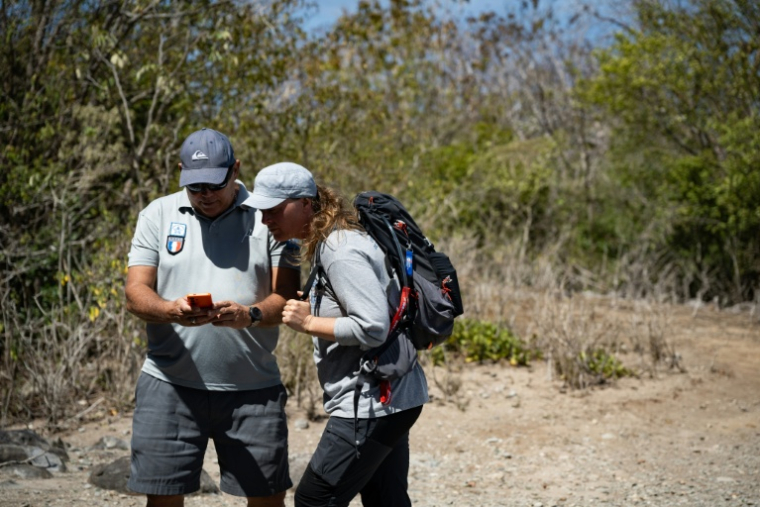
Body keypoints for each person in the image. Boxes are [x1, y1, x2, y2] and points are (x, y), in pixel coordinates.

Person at [124, 128, 300, 507]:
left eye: (215, 184)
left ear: (236, 169)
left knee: (268, 497)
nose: (205, 195)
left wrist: (249, 315)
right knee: (163, 497)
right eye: (195, 185)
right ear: (181, 172)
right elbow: (135, 293)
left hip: (253, 389)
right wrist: (170, 310)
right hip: (168, 384)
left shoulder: (268, 216)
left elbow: (284, 298)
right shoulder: (157, 214)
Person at [248, 162, 429, 507]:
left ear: (305, 203)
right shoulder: (331, 243)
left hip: (372, 403)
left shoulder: (339, 249)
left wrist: (309, 323)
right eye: (262, 211)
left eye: (273, 210)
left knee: (313, 500)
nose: (265, 219)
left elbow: (372, 326)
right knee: (385, 499)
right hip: (393, 398)